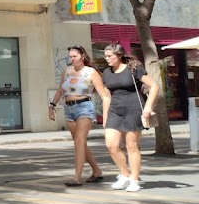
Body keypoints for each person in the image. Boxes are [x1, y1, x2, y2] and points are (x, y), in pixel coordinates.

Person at [100, 44, 160, 192]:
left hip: (133, 109)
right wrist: (105, 117)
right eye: (105, 56)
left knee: (131, 146)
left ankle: (134, 180)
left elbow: (154, 86)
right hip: (115, 110)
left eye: (109, 56)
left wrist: (148, 107)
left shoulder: (133, 69)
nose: (106, 58)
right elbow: (107, 96)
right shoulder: (106, 73)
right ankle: (125, 175)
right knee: (111, 145)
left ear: (119, 55)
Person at [49, 46, 105, 186]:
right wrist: (52, 105)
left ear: (83, 56)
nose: (72, 59)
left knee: (79, 142)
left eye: (75, 56)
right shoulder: (67, 71)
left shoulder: (91, 72)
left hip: (84, 107)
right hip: (69, 109)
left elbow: (103, 94)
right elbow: (61, 90)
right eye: (70, 57)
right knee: (81, 144)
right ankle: (97, 171)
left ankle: (77, 177)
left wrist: (107, 112)